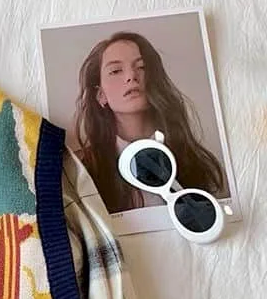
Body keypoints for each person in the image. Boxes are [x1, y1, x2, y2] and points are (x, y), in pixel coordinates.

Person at [74, 31, 225, 213]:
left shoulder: (193, 160)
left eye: (142, 67)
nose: (131, 76)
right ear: (101, 95)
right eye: (116, 71)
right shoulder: (83, 170)